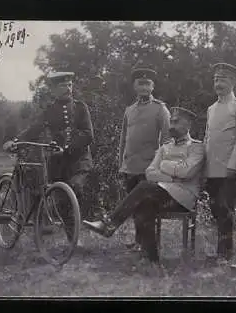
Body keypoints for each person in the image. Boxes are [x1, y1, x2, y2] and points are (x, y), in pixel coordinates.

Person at [83, 107, 205, 264]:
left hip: (183, 198)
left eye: (176, 122)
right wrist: (175, 176)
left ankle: (110, 223)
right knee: (143, 205)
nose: (172, 125)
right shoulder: (165, 147)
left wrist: (165, 165)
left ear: (188, 125)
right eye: (171, 121)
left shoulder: (197, 147)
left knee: (144, 187)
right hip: (162, 194)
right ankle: (152, 259)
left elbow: (187, 172)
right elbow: (150, 172)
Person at [3, 70, 94, 220]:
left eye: (70, 85)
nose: (68, 89)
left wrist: (67, 148)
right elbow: (34, 129)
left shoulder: (80, 107)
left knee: (75, 186)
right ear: (53, 90)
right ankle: (71, 238)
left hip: (80, 160)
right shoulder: (50, 110)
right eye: (63, 86)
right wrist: (16, 142)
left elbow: (88, 134)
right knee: (56, 196)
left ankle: (80, 221)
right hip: (59, 162)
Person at [204, 63, 236, 265]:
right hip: (212, 169)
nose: (219, 83)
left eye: (224, 79)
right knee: (216, 209)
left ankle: (225, 254)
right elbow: (208, 138)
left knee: (225, 209)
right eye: (216, 79)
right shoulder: (211, 109)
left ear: (233, 82)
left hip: (230, 170)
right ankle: (222, 251)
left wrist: (234, 166)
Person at [117, 67, 171, 251]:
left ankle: (147, 247)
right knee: (134, 208)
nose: (144, 87)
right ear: (134, 86)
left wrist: (161, 167)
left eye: (147, 84)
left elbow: (166, 140)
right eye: (140, 84)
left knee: (145, 209)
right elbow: (123, 139)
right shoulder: (129, 110)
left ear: (153, 86)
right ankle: (139, 242)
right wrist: (121, 164)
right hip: (130, 166)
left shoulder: (160, 109)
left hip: (149, 167)